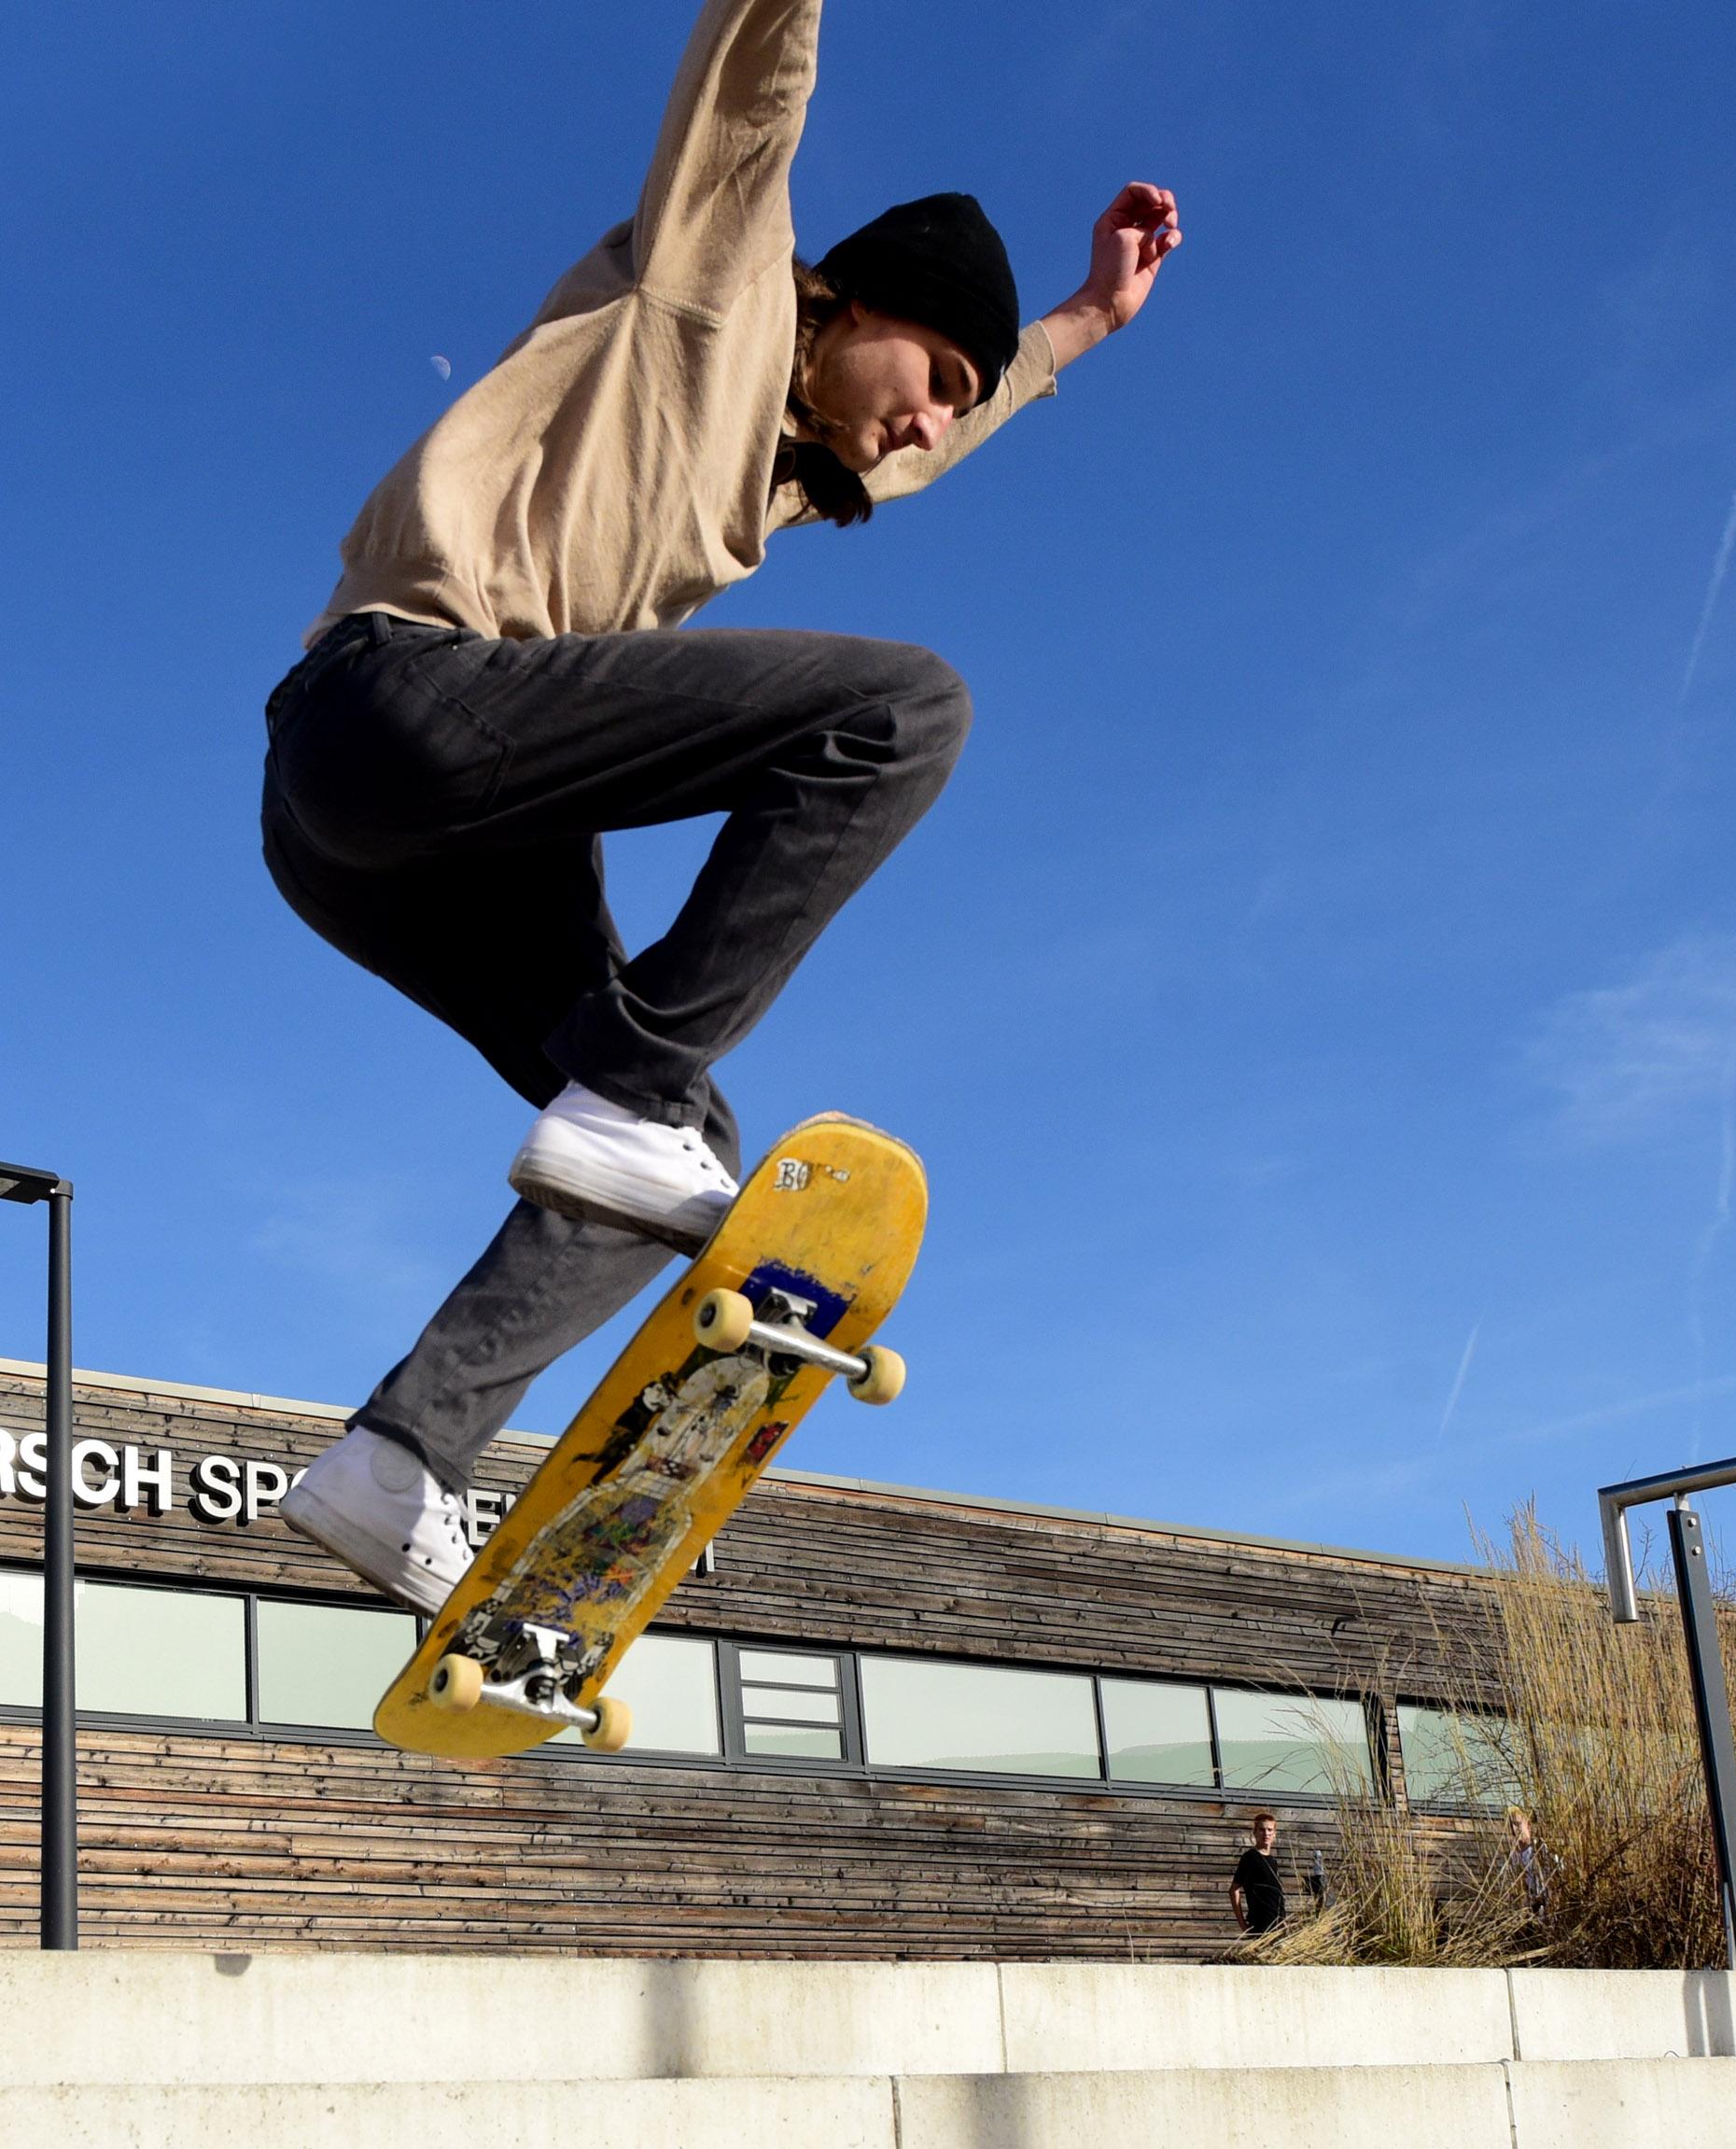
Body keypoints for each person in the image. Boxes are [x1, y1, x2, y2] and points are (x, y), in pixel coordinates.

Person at [264, 0, 1183, 1607]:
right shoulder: (718, 270)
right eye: (930, 373)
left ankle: (398, 1457)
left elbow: (923, 447)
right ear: (856, 300)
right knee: (904, 709)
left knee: (686, 1144)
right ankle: (620, 1098)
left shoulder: (785, 469)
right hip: (397, 703)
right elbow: (759, 62)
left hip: (386, 835)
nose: (926, 419)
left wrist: (1085, 325)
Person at [1229, 1809, 1287, 1940]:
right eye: (1262, 1830)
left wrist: (1283, 1921)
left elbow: (1276, 1894)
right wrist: (1242, 1924)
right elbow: (1234, 1890)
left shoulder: (1273, 1861)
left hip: (1278, 1925)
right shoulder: (1250, 1858)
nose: (1266, 1833)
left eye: (1269, 1830)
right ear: (1255, 1832)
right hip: (1261, 1925)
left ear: (1274, 1834)